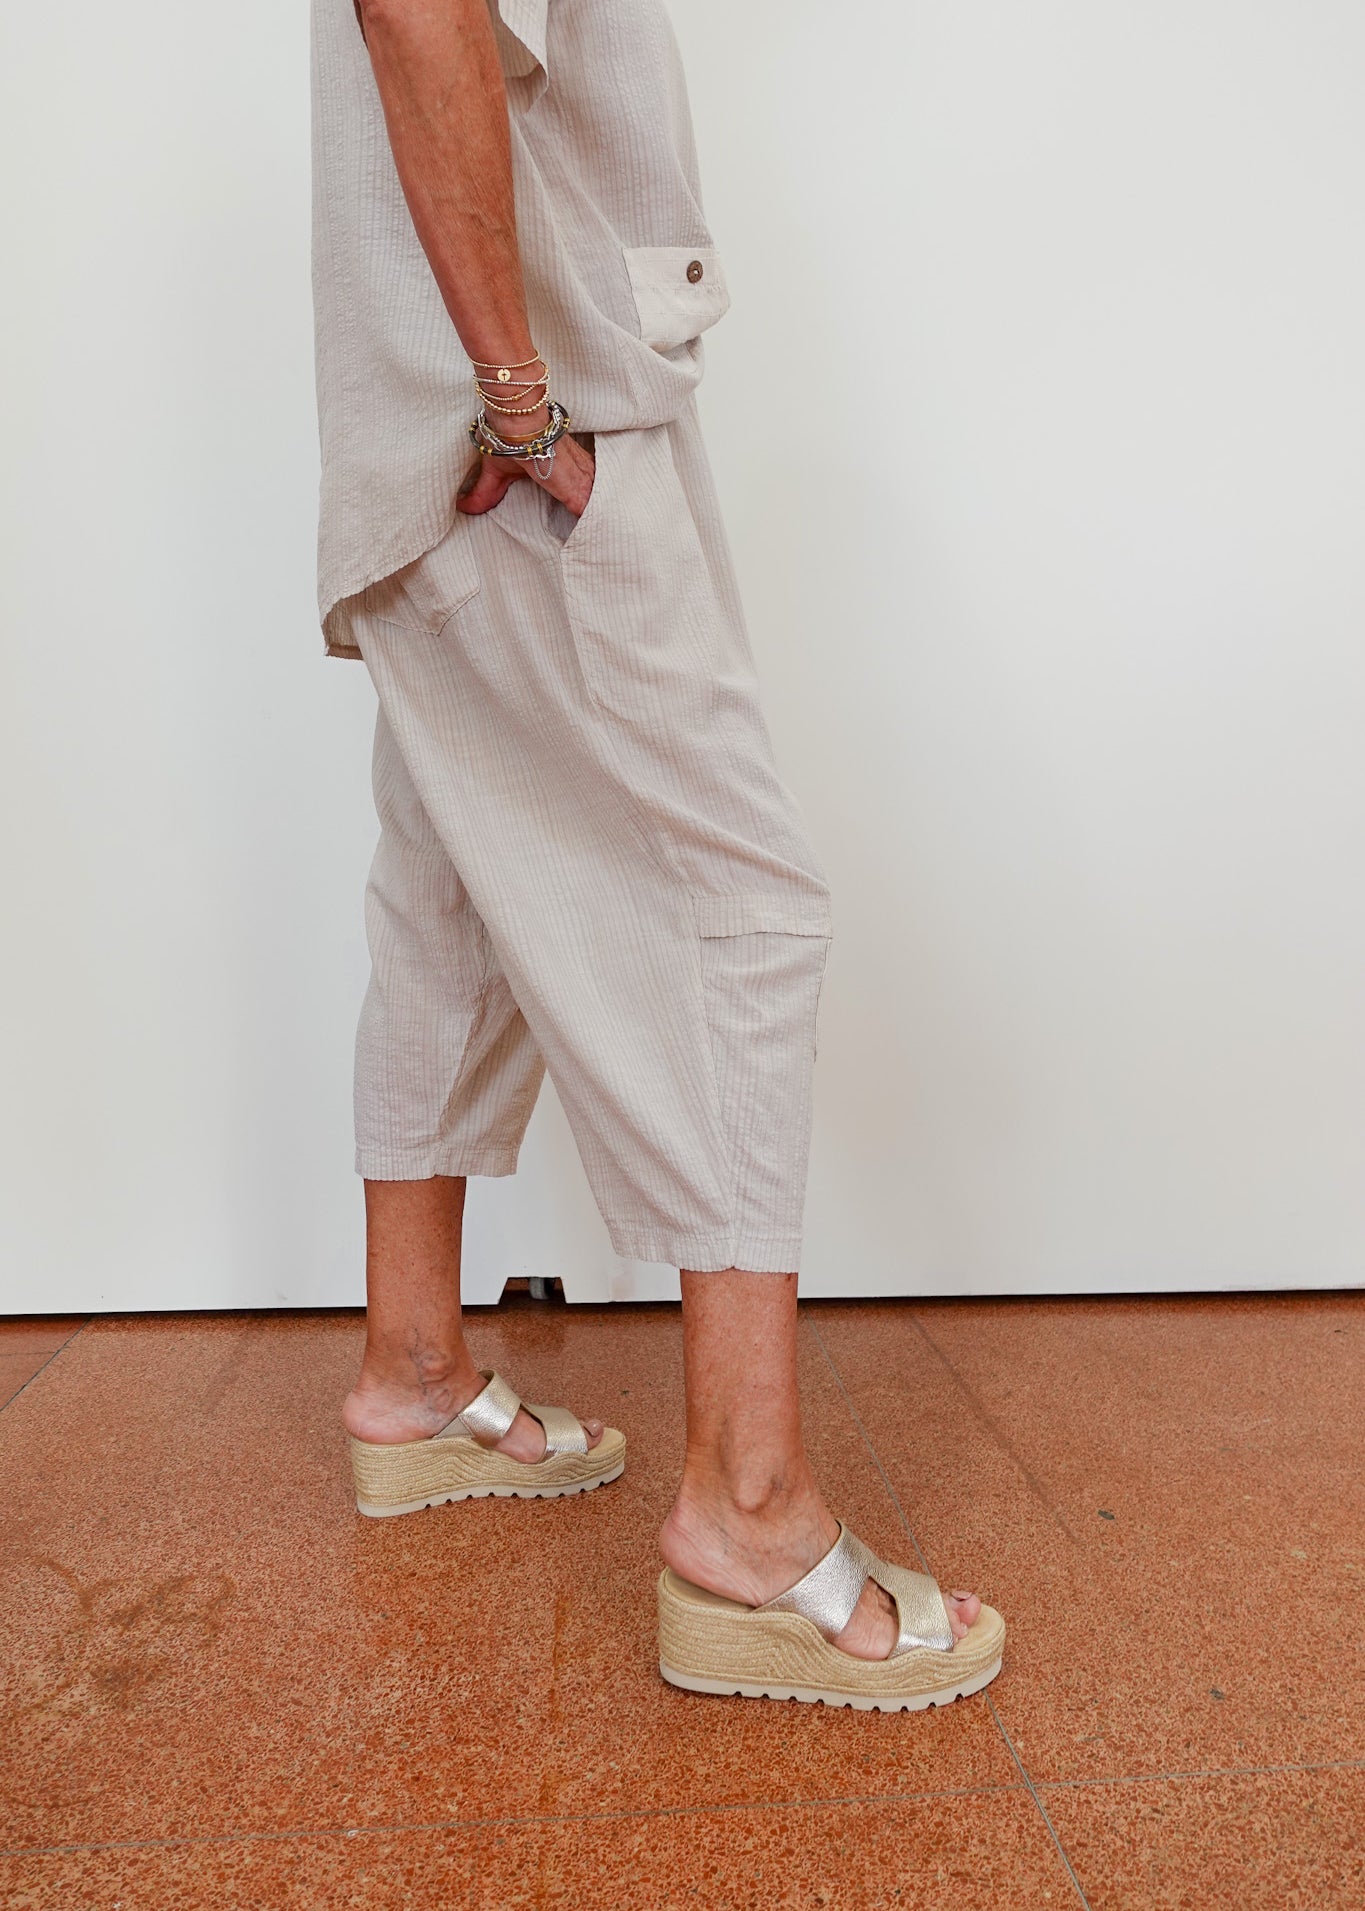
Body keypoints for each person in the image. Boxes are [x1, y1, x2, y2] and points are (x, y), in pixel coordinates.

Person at [309, 0, 1004, 1708]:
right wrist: (526, 402)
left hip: (443, 447)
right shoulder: (529, 423)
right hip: (524, 446)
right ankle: (750, 1520)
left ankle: (414, 1372)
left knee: (452, 895)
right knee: (739, 915)